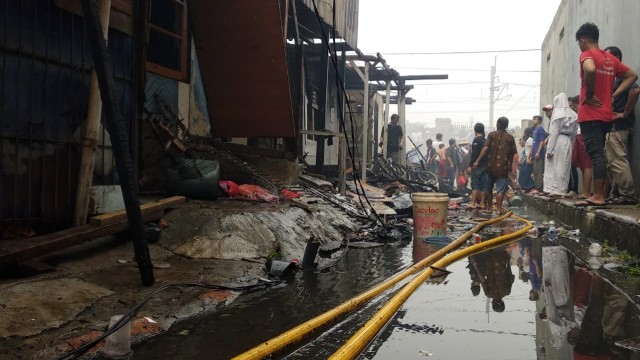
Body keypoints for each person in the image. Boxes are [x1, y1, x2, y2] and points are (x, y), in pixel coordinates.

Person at [574, 23, 638, 206]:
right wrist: (614, 93)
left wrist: (590, 94)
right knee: (600, 154)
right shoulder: (610, 58)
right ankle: (599, 194)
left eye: (579, 43)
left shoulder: (586, 54)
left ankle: (599, 196)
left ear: (583, 40)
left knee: (596, 154)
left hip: (590, 113)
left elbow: (590, 69)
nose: (579, 46)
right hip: (606, 114)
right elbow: (632, 75)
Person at [603, 46, 639, 205]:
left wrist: (624, 113)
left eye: (608, 58)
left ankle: (628, 195)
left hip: (619, 126)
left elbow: (635, 91)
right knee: (612, 162)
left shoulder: (624, 78)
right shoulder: (615, 79)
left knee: (617, 161)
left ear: (617, 58)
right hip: (612, 127)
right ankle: (618, 193)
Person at [473, 117, 517, 214]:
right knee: (500, 190)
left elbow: (485, 148)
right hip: (503, 168)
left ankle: (489, 208)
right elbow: (512, 154)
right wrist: (510, 168)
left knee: (489, 188)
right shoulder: (510, 137)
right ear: (507, 125)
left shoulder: (491, 135)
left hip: (490, 167)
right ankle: (498, 209)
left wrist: (477, 160)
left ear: (497, 124)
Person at [543, 93, 578, 196]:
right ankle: (562, 190)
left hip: (558, 141)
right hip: (567, 141)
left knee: (555, 166)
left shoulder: (557, 115)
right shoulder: (574, 115)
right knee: (564, 166)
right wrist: (571, 144)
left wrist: (550, 150)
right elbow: (575, 133)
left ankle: (554, 190)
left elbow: (553, 133)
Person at [569, 95, 593, 199]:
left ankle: (587, 192)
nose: (574, 109)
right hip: (579, 137)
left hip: (583, 138)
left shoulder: (586, 112)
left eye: (574, 106)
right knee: (583, 167)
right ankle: (585, 191)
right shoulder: (580, 113)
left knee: (586, 166)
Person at [468, 123, 487, 209]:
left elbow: (474, 154)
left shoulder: (476, 140)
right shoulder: (485, 140)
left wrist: (470, 165)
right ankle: (482, 203)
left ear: (475, 131)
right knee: (483, 184)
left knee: (474, 184)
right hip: (484, 166)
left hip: (477, 166)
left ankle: (473, 203)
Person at [531, 115, 548, 192]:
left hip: (539, 154)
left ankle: (539, 188)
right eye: (533, 119)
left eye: (535, 119)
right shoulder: (535, 129)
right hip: (534, 154)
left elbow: (542, 141)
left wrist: (538, 152)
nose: (533, 120)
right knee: (535, 171)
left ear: (539, 121)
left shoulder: (540, 129)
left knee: (539, 172)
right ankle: (537, 187)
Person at [519, 127, 535, 192]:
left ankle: (528, 187)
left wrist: (528, 158)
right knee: (524, 173)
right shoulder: (529, 139)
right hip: (527, 158)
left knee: (526, 174)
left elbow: (531, 149)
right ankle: (526, 187)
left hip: (528, 158)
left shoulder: (530, 139)